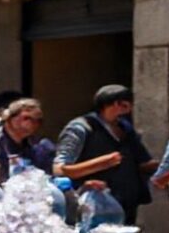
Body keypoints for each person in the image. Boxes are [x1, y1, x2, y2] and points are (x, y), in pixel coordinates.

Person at [53, 85, 157, 224]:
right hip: (93, 209)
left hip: (126, 207)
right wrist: (101, 163)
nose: (128, 110)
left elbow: (143, 163)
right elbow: (60, 169)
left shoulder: (125, 129)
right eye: (124, 105)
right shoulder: (80, 128)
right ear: (114, 104)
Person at [0, 98, 54, 180]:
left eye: (38, 120)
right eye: (26, 118)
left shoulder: (38, 146)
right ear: (9, 117)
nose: (33, 123)